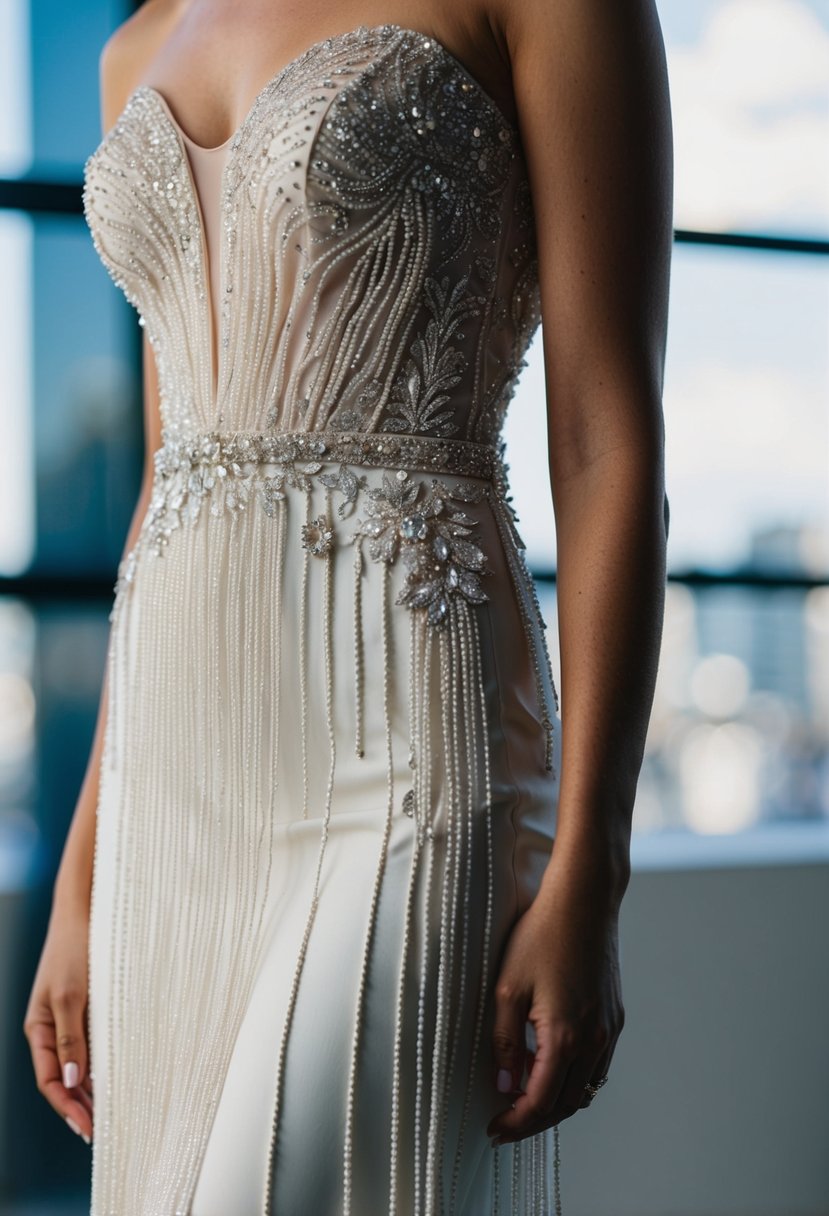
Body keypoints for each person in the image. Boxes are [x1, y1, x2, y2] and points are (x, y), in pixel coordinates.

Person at [23, 0, 672, 1211]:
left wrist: (593, 864)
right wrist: (83, 877)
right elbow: (173, 480)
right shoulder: (133, 47)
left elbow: (604, 440)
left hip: (404, 747)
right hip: (178, 782)